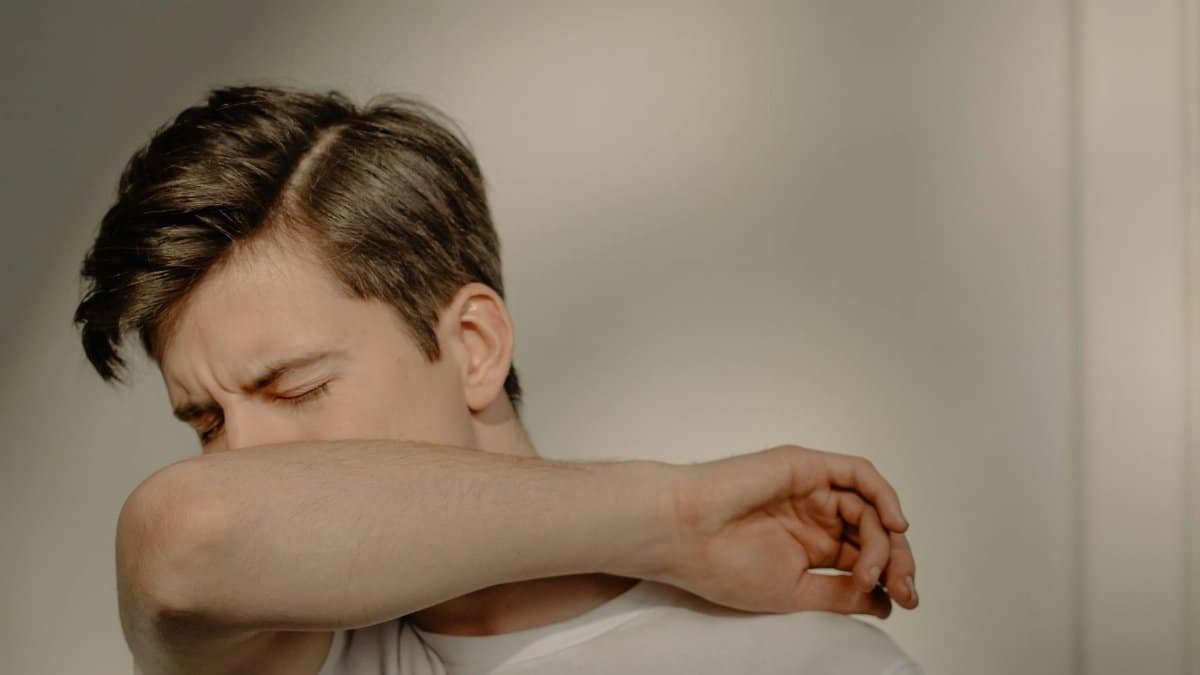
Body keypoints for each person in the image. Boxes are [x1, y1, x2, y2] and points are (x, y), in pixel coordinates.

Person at [73, 85, 922, 675]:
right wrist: (675, 517)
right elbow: (183, 534)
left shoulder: (799, 660)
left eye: (293, 389)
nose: (237, 459)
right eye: (206, 423)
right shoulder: (286, 654)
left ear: (475, 347)